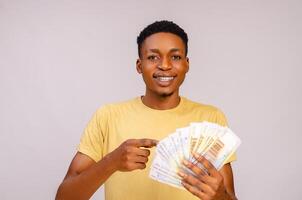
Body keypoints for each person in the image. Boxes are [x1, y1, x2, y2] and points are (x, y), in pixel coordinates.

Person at [55, 20, 238, 200]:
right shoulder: (108, 116)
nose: (165, 65)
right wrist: (111, 162)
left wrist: (220, 198)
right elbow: (64, 197)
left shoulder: (211, 117)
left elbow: (229, 196)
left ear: (186, 64)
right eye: (153, 57)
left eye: (175, 57)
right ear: (139, 65)